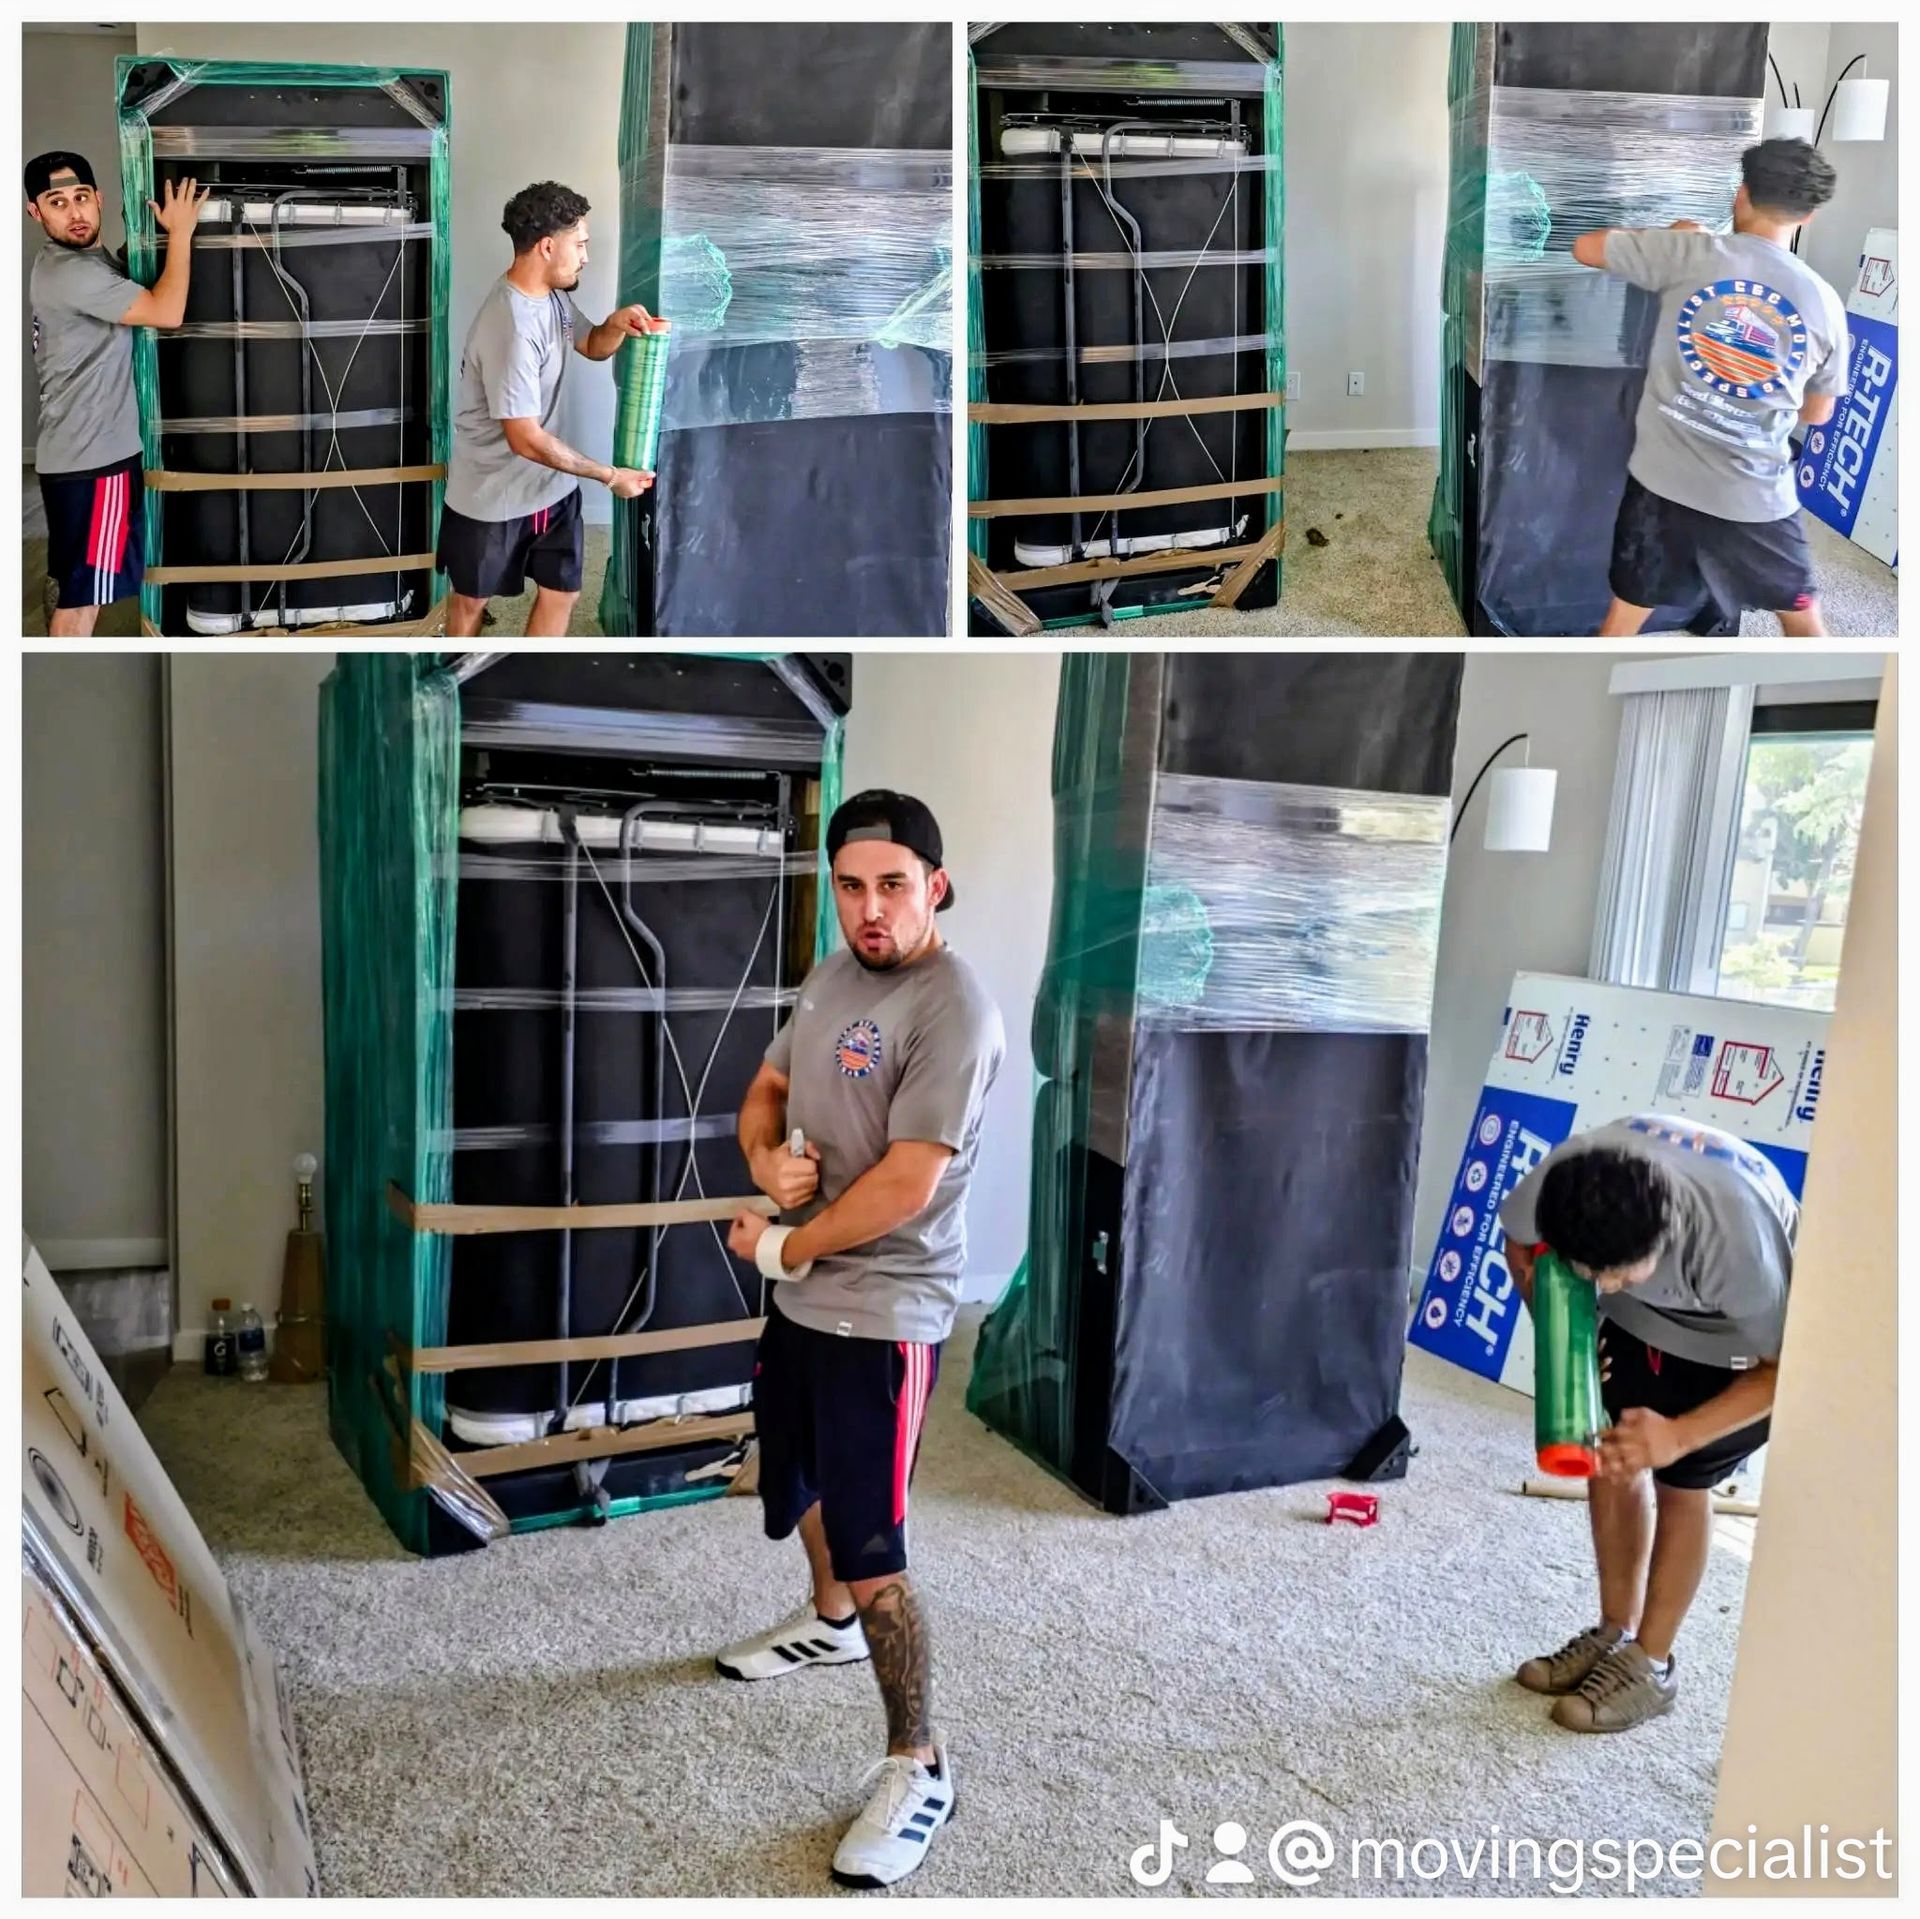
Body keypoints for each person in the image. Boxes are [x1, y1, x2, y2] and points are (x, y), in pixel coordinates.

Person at [721, 790, 1005, 1889]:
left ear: (935, 882)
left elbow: (904, 1183)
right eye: (851, 885)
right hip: (801, 1288)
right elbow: (769, 1084)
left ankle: (920, 1757)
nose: (870, 907)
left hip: (885, 1306)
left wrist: (786, 1248)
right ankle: (829, 1619)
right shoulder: (835, 975)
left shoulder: (954, 1007)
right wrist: (764, 1163)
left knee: (875, 1534)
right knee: (802, 1481)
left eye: (893, 884)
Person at [1501, 1114, 1798, 1734]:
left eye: (1612, 1273)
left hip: (1737, 1348)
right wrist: (1565, 1335)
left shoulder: (1736, 1242)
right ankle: (1616, 1632)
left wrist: (1679, 1434)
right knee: (1610, 1454)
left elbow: (1790, 1367)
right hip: (1640, 1320)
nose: (1599, 1284)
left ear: (1663, 1240)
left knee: (1681, 1480)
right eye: (1587, 1272)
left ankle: (1652, 1664)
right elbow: (1522, 1246)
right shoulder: (1560, 1181)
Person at [1572, 137, 1850, 640]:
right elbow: (1818, 414)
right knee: (1805, 624)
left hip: (1660, 487)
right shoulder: (1824, 302)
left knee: (1624, 617)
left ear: (1740, 194)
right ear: (1807, 217)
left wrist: (1676, 236)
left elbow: (1584, 246)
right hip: (1754, 497)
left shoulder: (1689, 252)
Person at [437, 181, 666, 638]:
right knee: (469, 603)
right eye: (579, 244)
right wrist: (609, 475)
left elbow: (590, 344)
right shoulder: (511, 327)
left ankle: (527, 680)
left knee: (562, 594)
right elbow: (524, 439)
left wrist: (615, 325)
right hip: (492, 498)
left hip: (551, 489)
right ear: (546, 246)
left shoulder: (554, 298)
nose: (586, 256)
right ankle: (451, 691)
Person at [26, 151, 206, 635]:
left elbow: (123, 276)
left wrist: (156, 232)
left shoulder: (79, 262)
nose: (75, 212)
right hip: (95, 460)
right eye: (57, 202)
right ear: (35, 212)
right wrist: (183, 232)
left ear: (97, 197)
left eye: (81, 197)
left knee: (83, 586)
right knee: (83, 603)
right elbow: (167, 313)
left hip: (78, 455)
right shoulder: (74, 273)